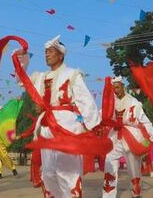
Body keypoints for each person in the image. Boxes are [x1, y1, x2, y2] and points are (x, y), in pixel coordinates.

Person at [29, 35, 101, 197]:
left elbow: (85, 100)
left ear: (61, 54)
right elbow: (26, 84)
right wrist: (21, 61)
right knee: (48, 173)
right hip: (46, 125)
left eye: (50, 51)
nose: (47, 54)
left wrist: (88, 126)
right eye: (45, 52)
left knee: (68, 172)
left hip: (67, 125)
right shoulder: (41, 77)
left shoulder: (72, 74)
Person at [102, 76, 153, 198]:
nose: (116, 90)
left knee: (134, 167)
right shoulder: (110, 102)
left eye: (118, 87)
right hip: (114, 136)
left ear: (123, 87)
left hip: (131, 137)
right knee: (109, 161)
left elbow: (144, 120)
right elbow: (101, 116)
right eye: (114, 88)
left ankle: (136, 192)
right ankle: (108, 195)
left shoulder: (133, 101)